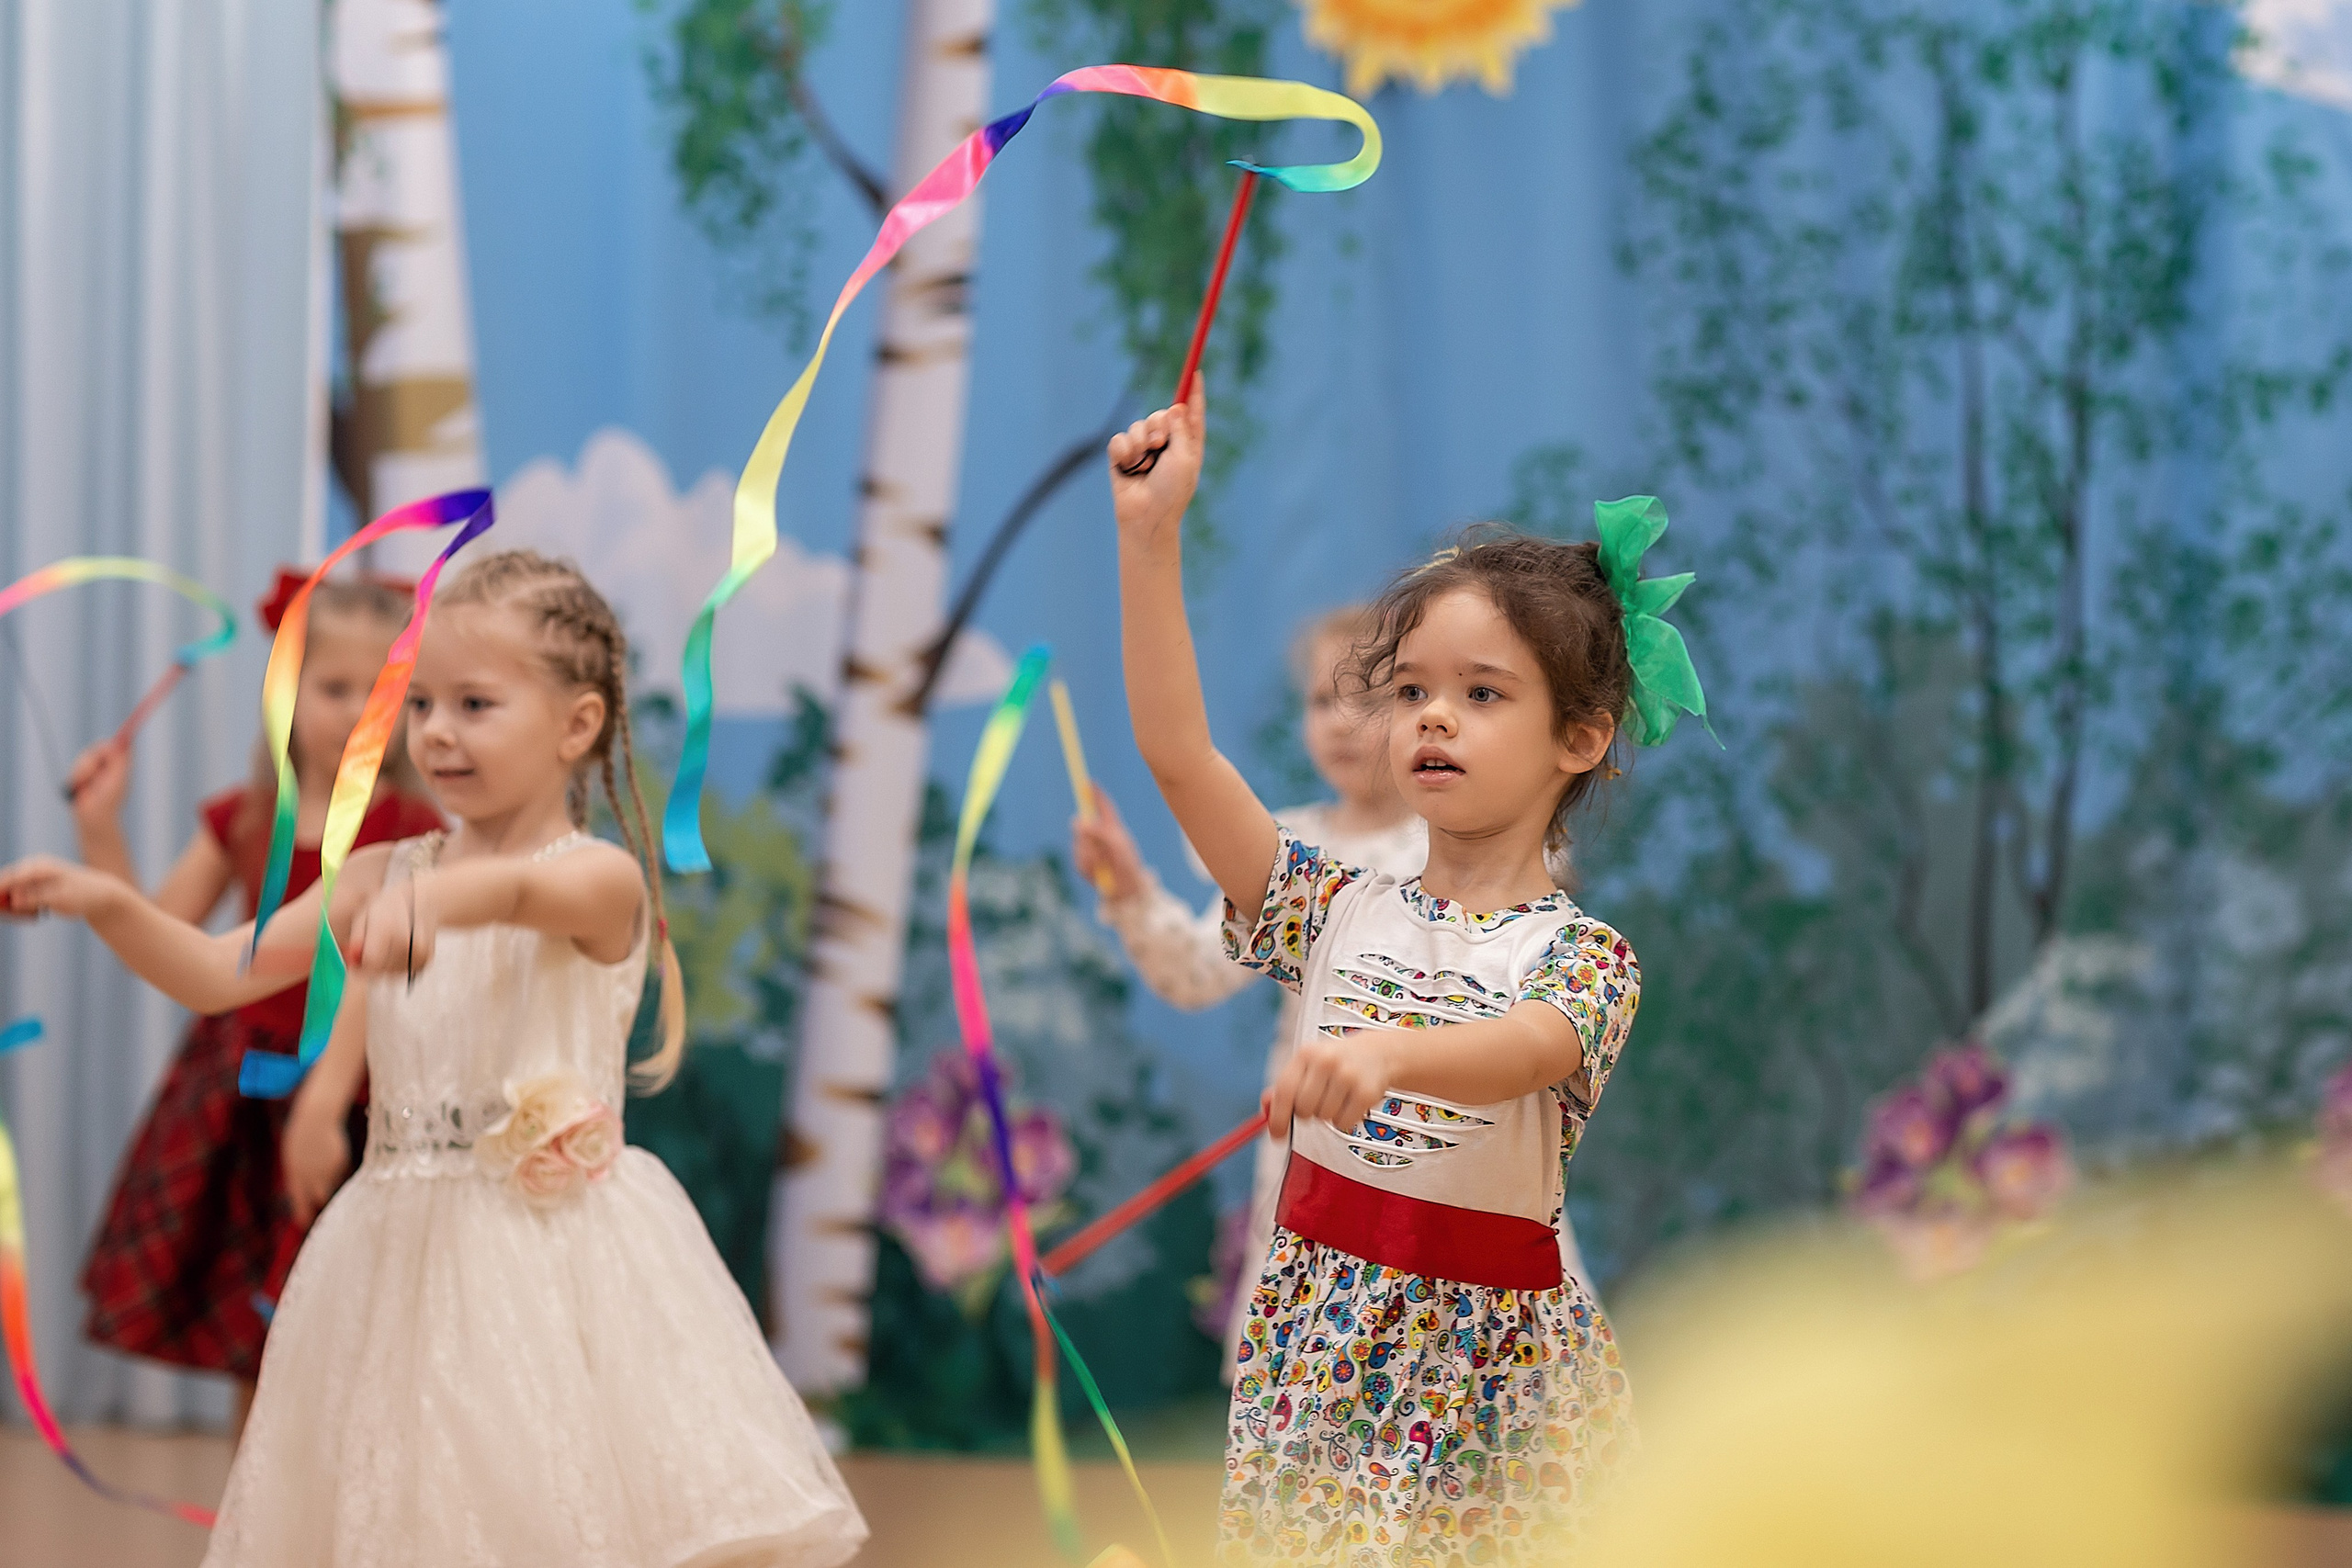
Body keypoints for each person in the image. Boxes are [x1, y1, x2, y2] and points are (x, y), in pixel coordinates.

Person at [4, 550, 865, 1568]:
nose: (437, 732)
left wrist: (435, 902)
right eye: (421, 706)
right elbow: (212, 971)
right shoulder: (380, 871)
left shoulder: (597, 878)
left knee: (545, 1510)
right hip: (393, 1249)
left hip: (552, 1268)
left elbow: (511, 898)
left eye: (474, 703)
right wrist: (105, 902)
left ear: (576, 724)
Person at [1106, 388, 1697, 1562]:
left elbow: (1524, 1050)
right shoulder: (1328, 905)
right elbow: (1179, 757)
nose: (1433, 717)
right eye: (1413, 690)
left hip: (1490, 1374)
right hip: (1319, 1343)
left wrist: (1389, 1056)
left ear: (1579, 739)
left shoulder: (1580, 957)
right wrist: (1149, 536)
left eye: (1482, 693)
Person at [1072, 610, 1600, 1383]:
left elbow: (1525, 1033)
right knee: (1326, 1392)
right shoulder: (1294, 863)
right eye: (1323, 700)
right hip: (1323, 1178)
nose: (1345, 723)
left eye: (1380, 696)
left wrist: (1395, 1054)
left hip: (1456, 1184)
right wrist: (1127, 889)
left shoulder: (1479, 856)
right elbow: (1192, 971)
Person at [67, 571, 443, 1430]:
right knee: (261, 1347)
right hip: (239, 1107)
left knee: (357, 1351)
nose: (353, 710)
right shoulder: (242, 819)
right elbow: (160, 938)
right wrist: (99, 831)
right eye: (331, 686)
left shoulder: (412, 835)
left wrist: (330, 1094)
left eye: (378, 689)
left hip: (357, 1105)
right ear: (286, 690)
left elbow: (401, 975)